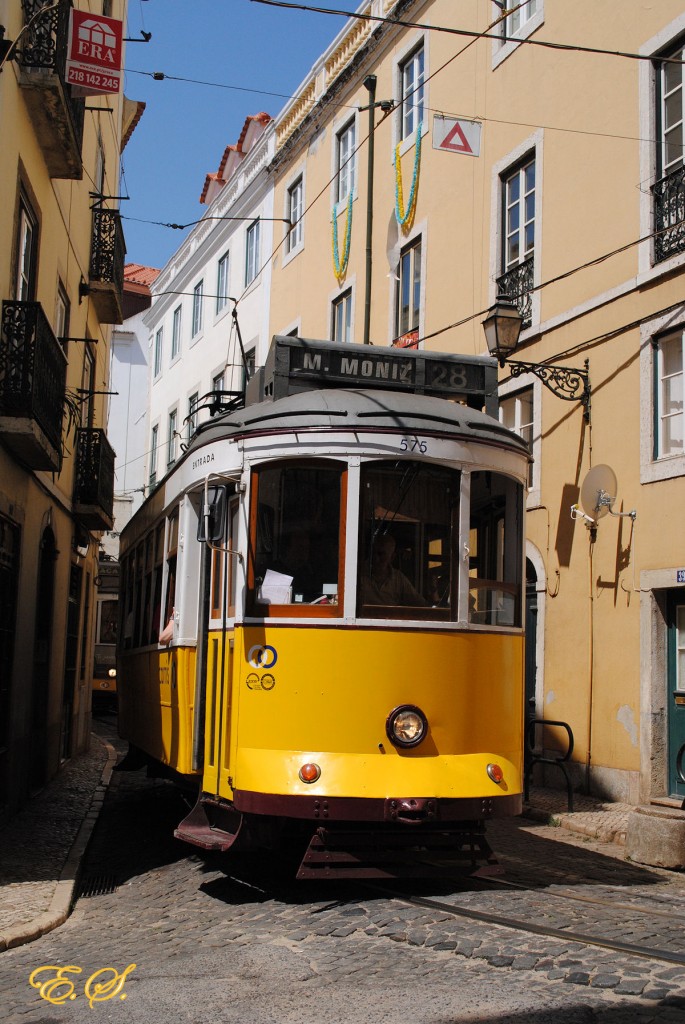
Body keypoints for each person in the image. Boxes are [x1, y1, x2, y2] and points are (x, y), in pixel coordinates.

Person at [359, 533, 427, 606]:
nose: (375, 558)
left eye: (381, 554)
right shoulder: (357, 573)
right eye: (372, 553)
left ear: (392, 557)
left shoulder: (398, 579)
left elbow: (420, 604)